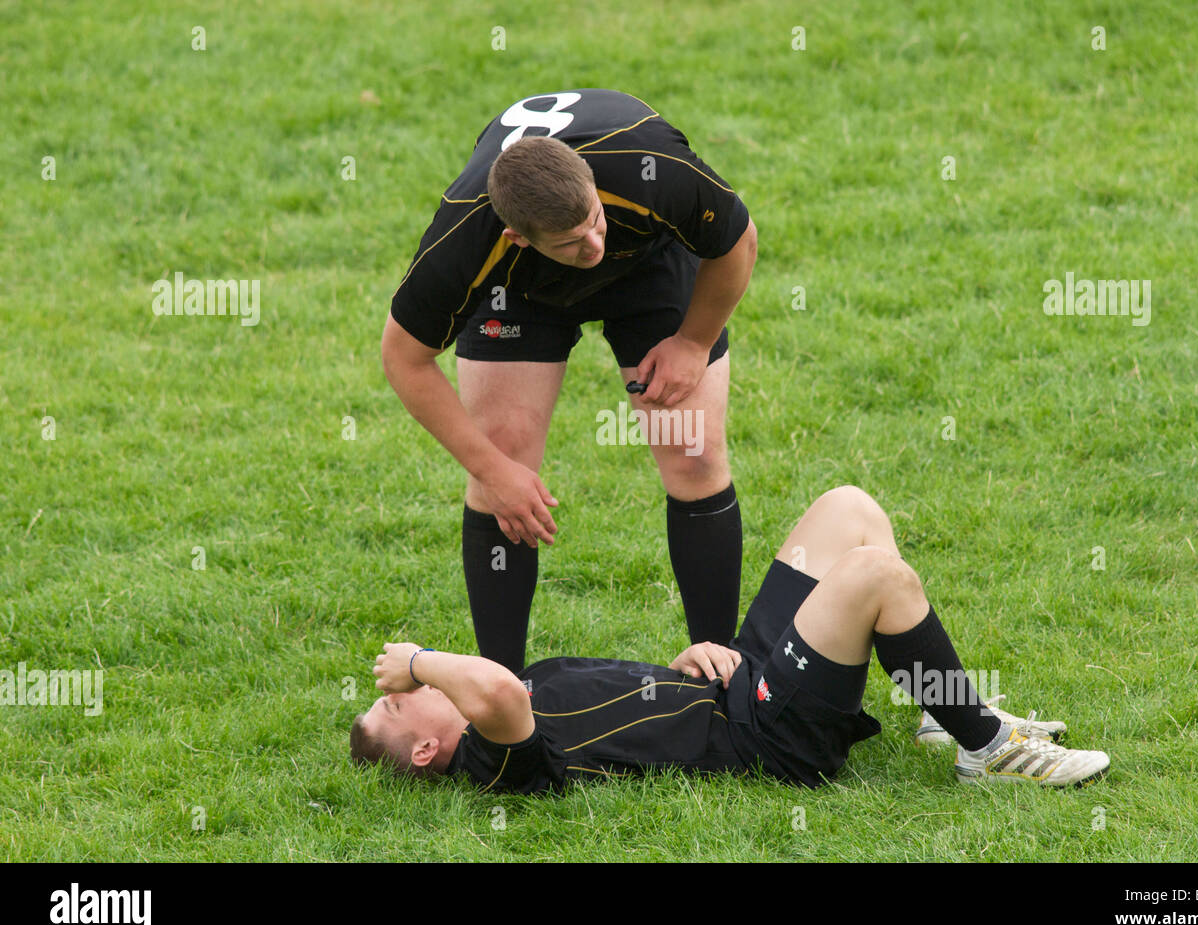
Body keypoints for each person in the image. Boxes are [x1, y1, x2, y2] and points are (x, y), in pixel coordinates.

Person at [350, 486, 1110, 791]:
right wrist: (415, 658)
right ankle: (989, 749)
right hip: (766, 735)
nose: (402, 690)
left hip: (734, 681)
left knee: (847, 510)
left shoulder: (505, 714)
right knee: (878, 575)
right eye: (393, 707)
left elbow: (625, 700)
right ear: (424, 748)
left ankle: (940, 715)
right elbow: (498, 688)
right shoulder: (493, 760)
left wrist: (683, 665)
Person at [382, 89, 758, 672]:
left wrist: (694, 341)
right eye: (573, 243)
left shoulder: (648, 166)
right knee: (502, 458)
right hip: (520, 292)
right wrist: (492, 470)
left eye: (594, 223)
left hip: (649, 260)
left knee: (694, 452)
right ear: (519, 237)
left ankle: (718, 678)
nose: (594, 246)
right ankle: (503, 699)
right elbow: (404, 358)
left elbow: (737, 239)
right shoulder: (469, 237)